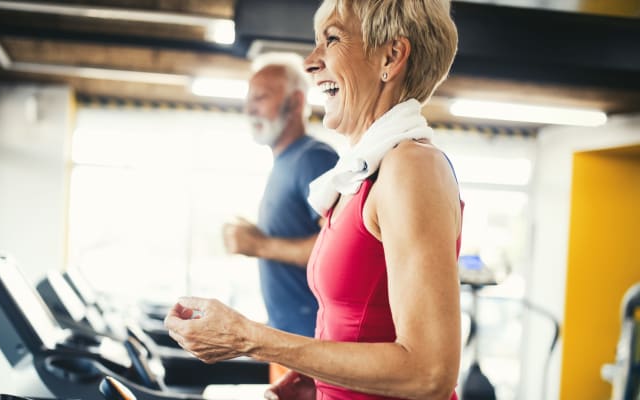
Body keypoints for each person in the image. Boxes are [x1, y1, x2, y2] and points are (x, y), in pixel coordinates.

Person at [165, 0, 462, 399]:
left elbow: (430, 374)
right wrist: (309, 384)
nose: (310, 62)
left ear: (390, 56)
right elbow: (362, 329)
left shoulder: (410, 166)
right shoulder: (364, 174)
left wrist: (249, 338)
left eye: (332, 40)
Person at [223, 53, 338, 341]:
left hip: (312, 345)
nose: (250, 109)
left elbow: (340, 250)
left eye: (261, 97)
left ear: (297, 102)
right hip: (287, 339)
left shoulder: (313, 159)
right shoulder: (285, 162)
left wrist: (259, 245)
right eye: (249, 99)